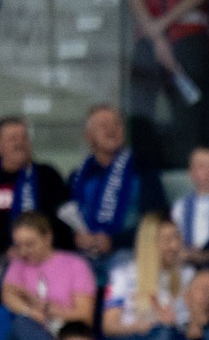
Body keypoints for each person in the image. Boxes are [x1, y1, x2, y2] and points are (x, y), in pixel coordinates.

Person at [102, 214, 209, 340]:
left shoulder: (188, 274)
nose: (174, 246)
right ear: (150, 243)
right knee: (163, 334)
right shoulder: (123, 274)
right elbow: (109, 326)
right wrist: (141, 326)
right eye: (167, 240)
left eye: (177, 238)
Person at [63, 106, 169, 269]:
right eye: (103, 125)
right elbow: (62, 220)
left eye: (117, 124)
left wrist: (114, 241)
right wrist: (75, 238)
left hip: (127, 252)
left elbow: (155, 219)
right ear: (89, 136)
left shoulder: (142, 169)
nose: (112, 129)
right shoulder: (78, 176)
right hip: (83, 253)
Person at [4, 213, 98, 340]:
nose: (23, 252)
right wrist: (33, 313)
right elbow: (8, 295)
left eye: (30, 244)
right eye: (19, 246)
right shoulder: (19, 264)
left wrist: (47, 309)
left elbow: (84, 317)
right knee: (22, 322)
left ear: (47, 237)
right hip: (33, 335)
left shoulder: (75, 265)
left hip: (65, 338)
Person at [122, 0, 209, 164]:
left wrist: (161, 26)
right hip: (148, 42)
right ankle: (145, 169)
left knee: (187, 115)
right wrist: (157, 37)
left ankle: (186, 168)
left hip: (187, 37)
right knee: (141, 113)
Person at [0, 118, 72, 244]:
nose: (20, 143)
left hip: (45, 251)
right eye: (13, 138)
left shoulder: (47, 175)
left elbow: (63, 220)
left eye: (24, 138)